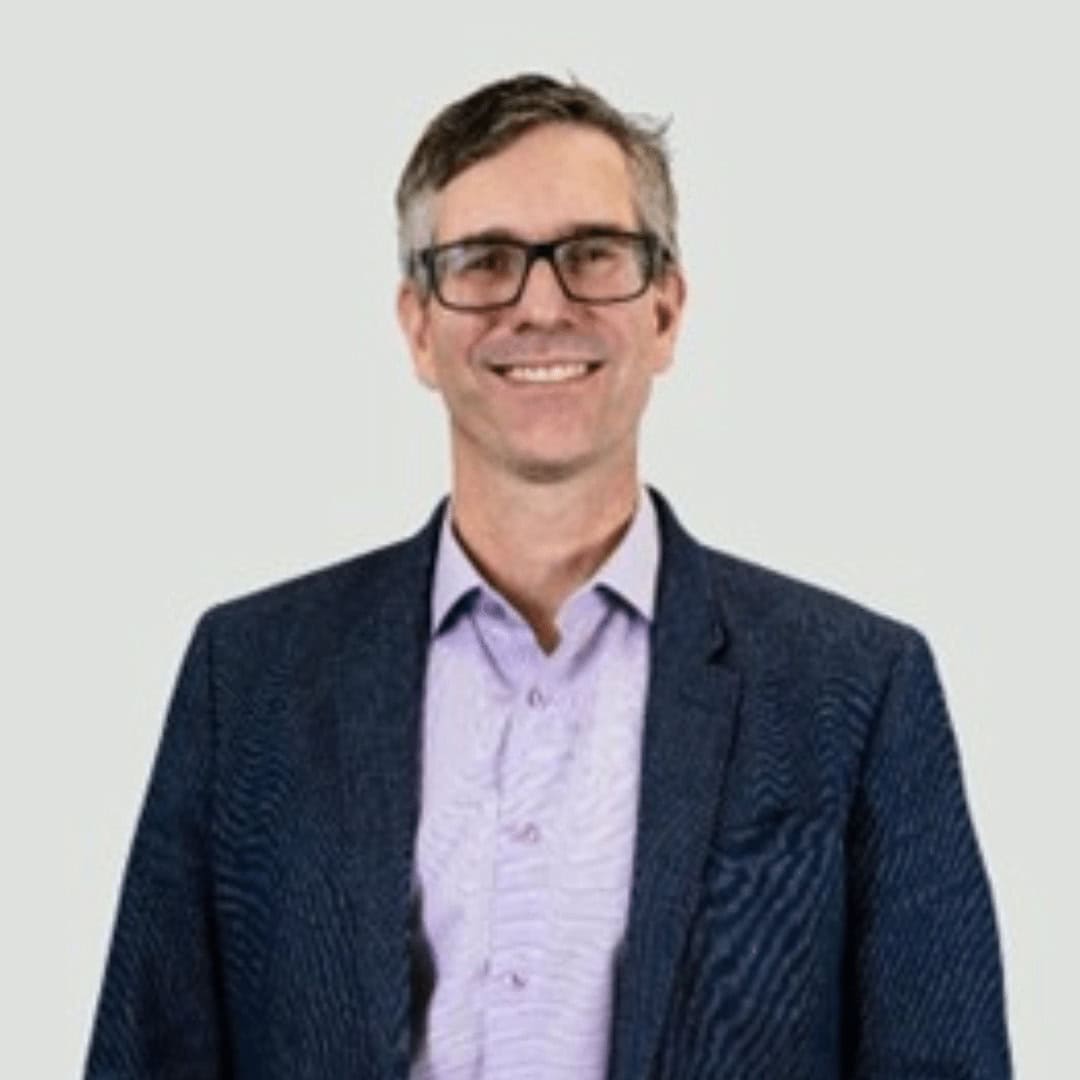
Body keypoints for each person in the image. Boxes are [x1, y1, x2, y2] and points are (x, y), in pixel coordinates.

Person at [85, 73, 1011, 1078]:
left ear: (665, 309)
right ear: (417, 326)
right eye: (483, 262)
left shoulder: (856, 689)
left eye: (591, 256)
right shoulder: (252, 677)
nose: (540, 305)